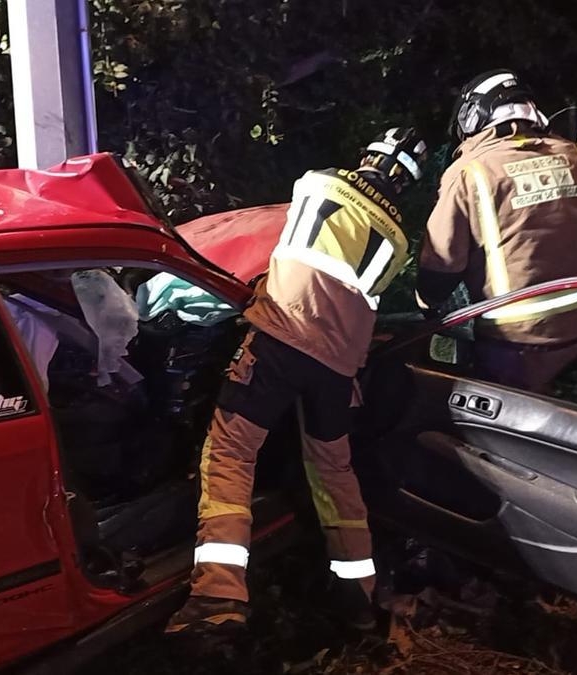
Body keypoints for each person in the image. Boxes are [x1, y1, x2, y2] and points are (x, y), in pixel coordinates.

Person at [165, 128, 428, 638]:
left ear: (368, 156)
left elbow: (274, 236)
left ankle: (217, 596)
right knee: (334, 471)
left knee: (231, 453)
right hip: (336, 370)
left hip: (281, 340)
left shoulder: (320, 183)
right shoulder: (397, 241)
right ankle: (359, 594)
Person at [417, 69, 577, 393]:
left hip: (518, 332)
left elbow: (442, 262)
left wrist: (426, 303)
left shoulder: (470, 172)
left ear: (473, 116)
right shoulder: (573, 155)